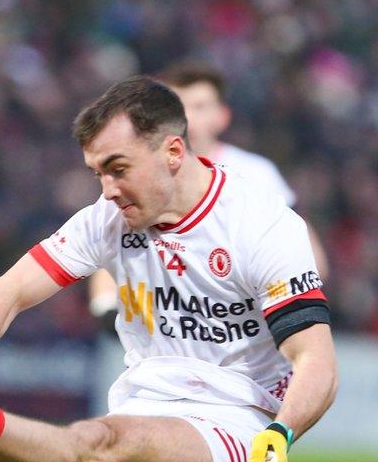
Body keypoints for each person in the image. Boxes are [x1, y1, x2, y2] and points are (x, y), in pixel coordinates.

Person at [0, 77, 336, 462]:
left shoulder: (260, 224)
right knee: (96, 443)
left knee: (97, 443)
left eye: (118, 169)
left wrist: (281, 434)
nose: (108, 190)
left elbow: (315, 359)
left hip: (236, 416)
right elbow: (13, 290)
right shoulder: (107, 218)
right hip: (142, 401)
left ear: (173, 152)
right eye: (97, 173)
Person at [88, 64, 329, 330]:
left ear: (222, 116)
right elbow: (113, 243)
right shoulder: (142, 173)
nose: (188, 116)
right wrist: (107, 308)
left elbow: (308, 255)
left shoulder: (255, 173)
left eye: (200, 106)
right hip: (160, 331)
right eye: (179, 106)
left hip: (240, 332)